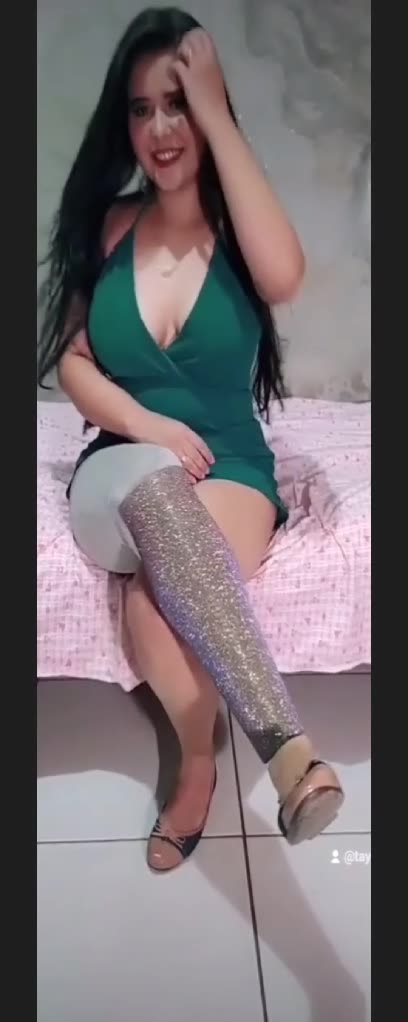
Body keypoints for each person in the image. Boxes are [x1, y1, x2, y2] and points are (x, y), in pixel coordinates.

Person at [38, 6, 344, 873]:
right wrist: (148, 427)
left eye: (179, 104)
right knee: (152, 488)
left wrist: (213, 107)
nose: (161, 128)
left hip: (230, 466)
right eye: (142, 109)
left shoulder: (239, 231)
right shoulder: (109, 226)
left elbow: (286, 274)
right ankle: (288, 751)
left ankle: (199, 764)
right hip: (119, 465)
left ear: (209, 109)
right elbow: (74, 364)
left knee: (151, 602)